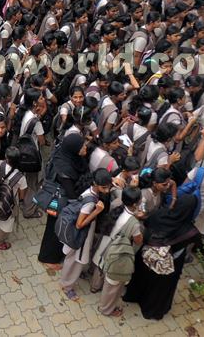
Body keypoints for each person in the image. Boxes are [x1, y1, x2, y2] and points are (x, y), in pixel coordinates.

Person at [123, 195, 201, 320]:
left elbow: (148, 223)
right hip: (167, 265)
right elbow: (198, 244)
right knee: (158, 289)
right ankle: (150, 310)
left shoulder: (160, 213)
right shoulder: (190, 231)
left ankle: (133, 296)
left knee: (141, 278)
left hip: (147, 256)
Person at [37, 133, 91, 269]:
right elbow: (71, 194)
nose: (86, 147)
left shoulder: (67, 155)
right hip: (60, 202)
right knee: (55, 229)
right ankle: (48, 258)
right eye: (82, 146)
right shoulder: (65, 169)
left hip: (61, 200)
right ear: (74, 149)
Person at [60, 168, 111, 302]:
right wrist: (97, 211)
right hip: (81, 234)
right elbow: (79, 224)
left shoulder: (89, 190)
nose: (106, 191)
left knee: (72, 258)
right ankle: (67, 286)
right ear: (96, 184)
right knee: (75, 260)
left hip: (78, 233)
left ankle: (67, 280)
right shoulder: (90, 202)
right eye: (104, 187)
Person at [96, 187, 144, 317]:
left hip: (105, 244)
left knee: (99, 268)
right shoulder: (134, 223)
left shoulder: (116, 205)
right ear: (135, 204)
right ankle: (105, 309)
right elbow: (138, 240)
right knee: (112, 285)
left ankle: (94, 287)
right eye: (140, 200)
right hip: (117, 252)